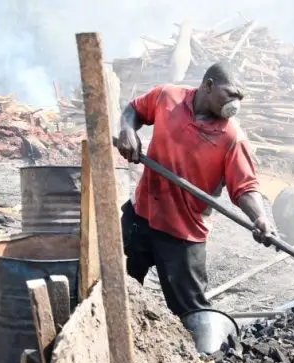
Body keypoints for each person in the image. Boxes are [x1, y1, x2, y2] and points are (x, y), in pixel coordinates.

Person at [115, 62, 277, 317]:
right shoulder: (166, 96)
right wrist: (126, 130)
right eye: (231, 94)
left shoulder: (232, 137)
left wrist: (259, 218)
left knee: (193, 316)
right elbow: (133, 110)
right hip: (142, 217)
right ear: (208, 86)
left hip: (183, 235)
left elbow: (245, 187)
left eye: (240, 98)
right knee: (114, 285)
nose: (236, 104)